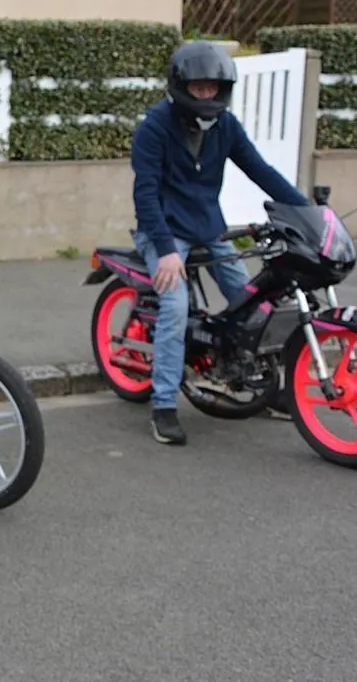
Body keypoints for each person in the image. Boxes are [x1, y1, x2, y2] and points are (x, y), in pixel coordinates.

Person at [130, 40, 311, 446]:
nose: (206, 95)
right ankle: (163, 406)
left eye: (212, 88)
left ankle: (260, 386)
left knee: (252, 302)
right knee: (175, 308)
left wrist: (307, 211)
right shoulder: (154, 127)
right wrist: (166, 251)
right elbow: (146, 195)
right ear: (182, 87)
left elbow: (261, 170)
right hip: (163, 231)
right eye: (198, 88)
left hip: (208, 228)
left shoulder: (226, 126)